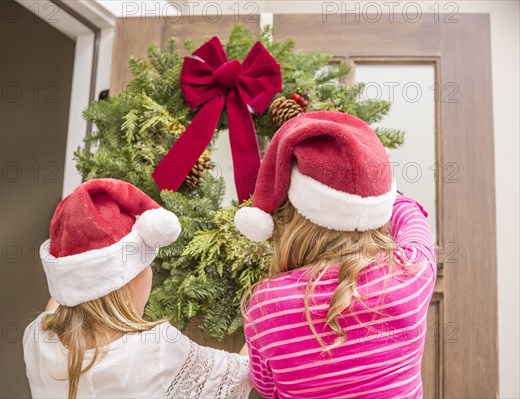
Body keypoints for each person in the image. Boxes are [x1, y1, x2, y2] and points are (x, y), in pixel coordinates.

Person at [234, 111, 436, 398]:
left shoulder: (268, 304)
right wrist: (388, 196)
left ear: (286, 219)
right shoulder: (411, 274)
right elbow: (414, 219)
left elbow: (267, 389)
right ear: (381, 209)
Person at [23, 178, 251, 399]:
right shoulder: (157, 348)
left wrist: (70, 277)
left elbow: (59, 301)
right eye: (147, 264)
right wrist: (264, 304)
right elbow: (242, 374)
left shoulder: (36, 337)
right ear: (127, 278)